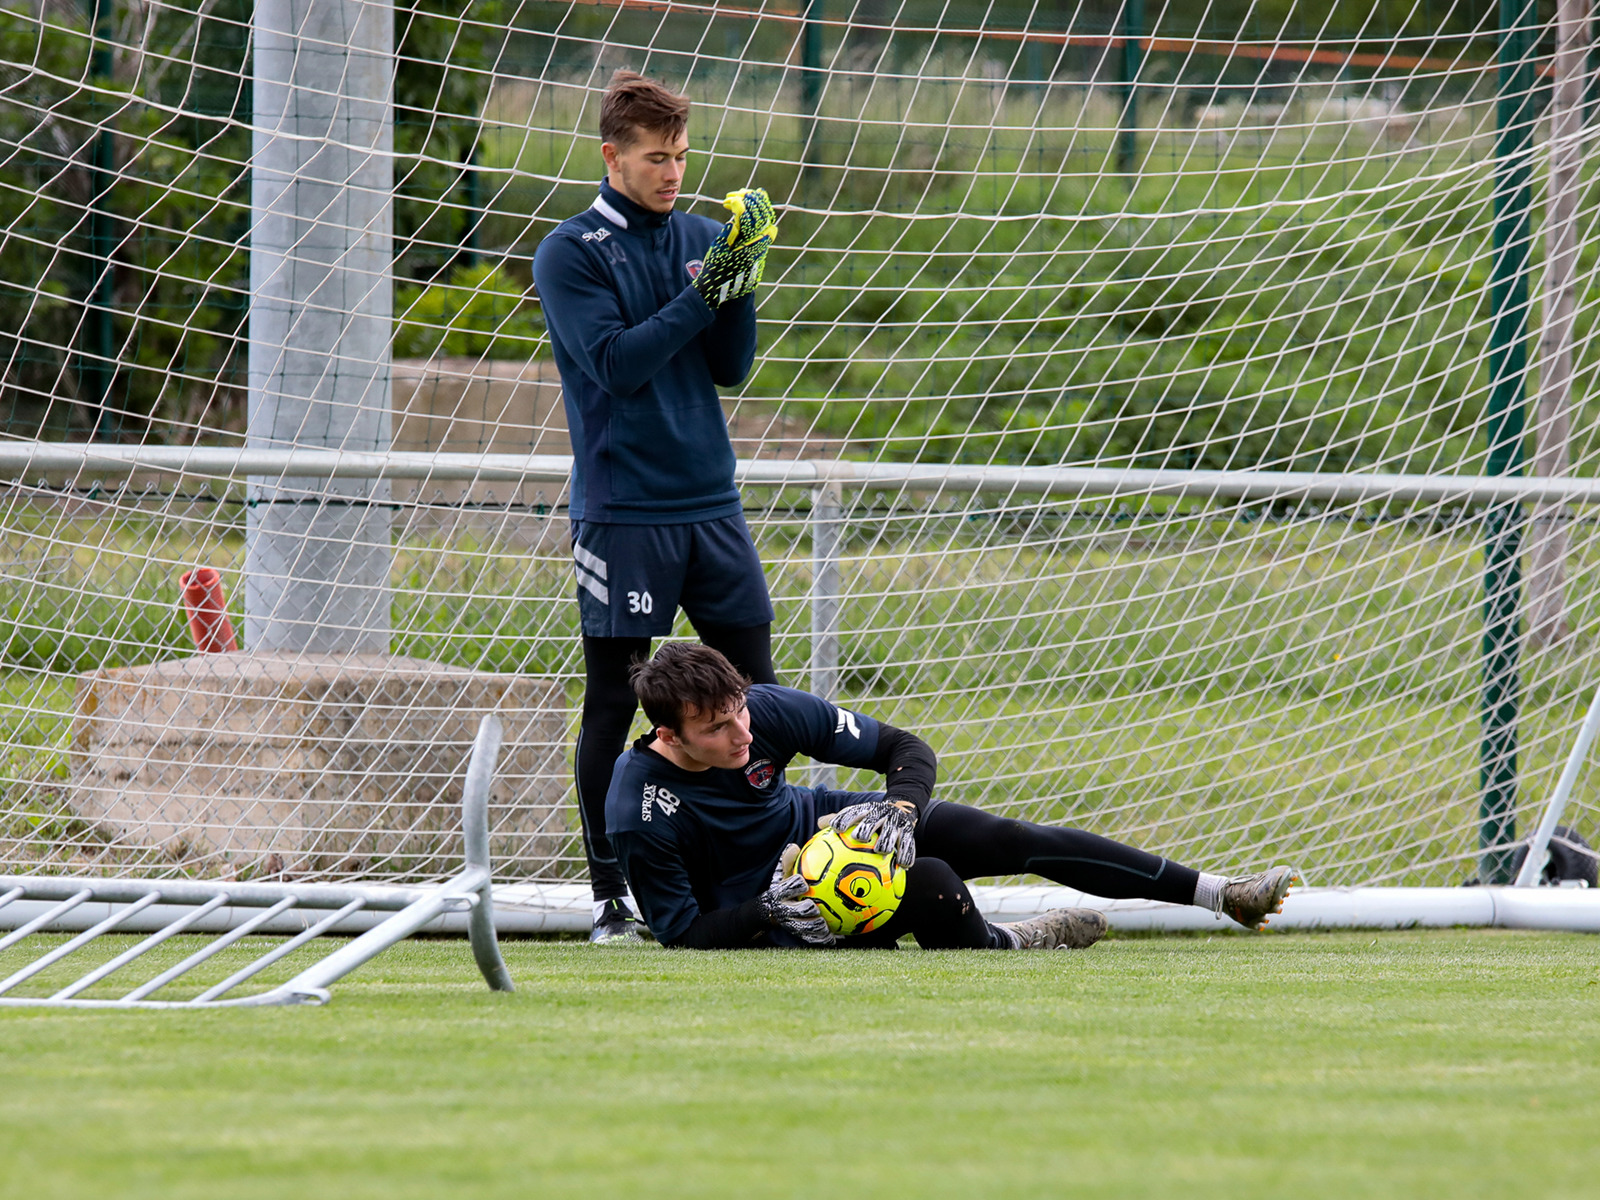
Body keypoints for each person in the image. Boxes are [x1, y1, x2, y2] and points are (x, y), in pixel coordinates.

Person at [532, 71, 782, 942]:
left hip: (712, 504)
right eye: (654, 158)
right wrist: (707, 289)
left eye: (680, 156)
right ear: (613, 156)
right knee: (613, 700)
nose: (672, 172)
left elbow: (730, 367)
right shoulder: (571, 251)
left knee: (758, 695)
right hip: (625, 511)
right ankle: (611, 898)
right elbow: (619, 365)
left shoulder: (706, 237)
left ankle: (756, 874)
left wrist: (740, 279)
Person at [605, 642, 1303, 950]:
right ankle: (1015, 941)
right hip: (780, 911)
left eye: (739, 713)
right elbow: (682, 933)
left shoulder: (764, 710)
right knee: (934, 881)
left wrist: (899, 810)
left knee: (1005, 839)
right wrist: (769, 908)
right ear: (668, 734)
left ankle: (1222, 894)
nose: (741, 734)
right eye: (717, 728)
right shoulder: (639, 809)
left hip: (828, 828)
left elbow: (904, 749)